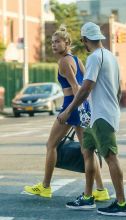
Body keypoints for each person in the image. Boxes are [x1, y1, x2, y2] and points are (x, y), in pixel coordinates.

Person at [24, 25, 109, 202]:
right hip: (82, 106)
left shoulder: (63, 61)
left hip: (71, 105)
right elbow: (88, 83)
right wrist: (87, 108)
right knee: (88, 150)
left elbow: (77, 87)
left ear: (67, 43)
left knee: (51, 145)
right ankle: (101, 190)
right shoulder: (77, 59)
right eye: (52, 42)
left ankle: (46, 187)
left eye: (58, 42)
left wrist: (71, 110)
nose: (54, 45)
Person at [57, 22, 126, 216]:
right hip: (94, 115)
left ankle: (122, 204)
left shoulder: (94, 58)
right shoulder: (111, 58)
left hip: (101, 116)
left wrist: (68, 110)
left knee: (110, 157)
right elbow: (119, 90)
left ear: (85, 40)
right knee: (87, 152)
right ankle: (88, 198)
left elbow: (86, 87)